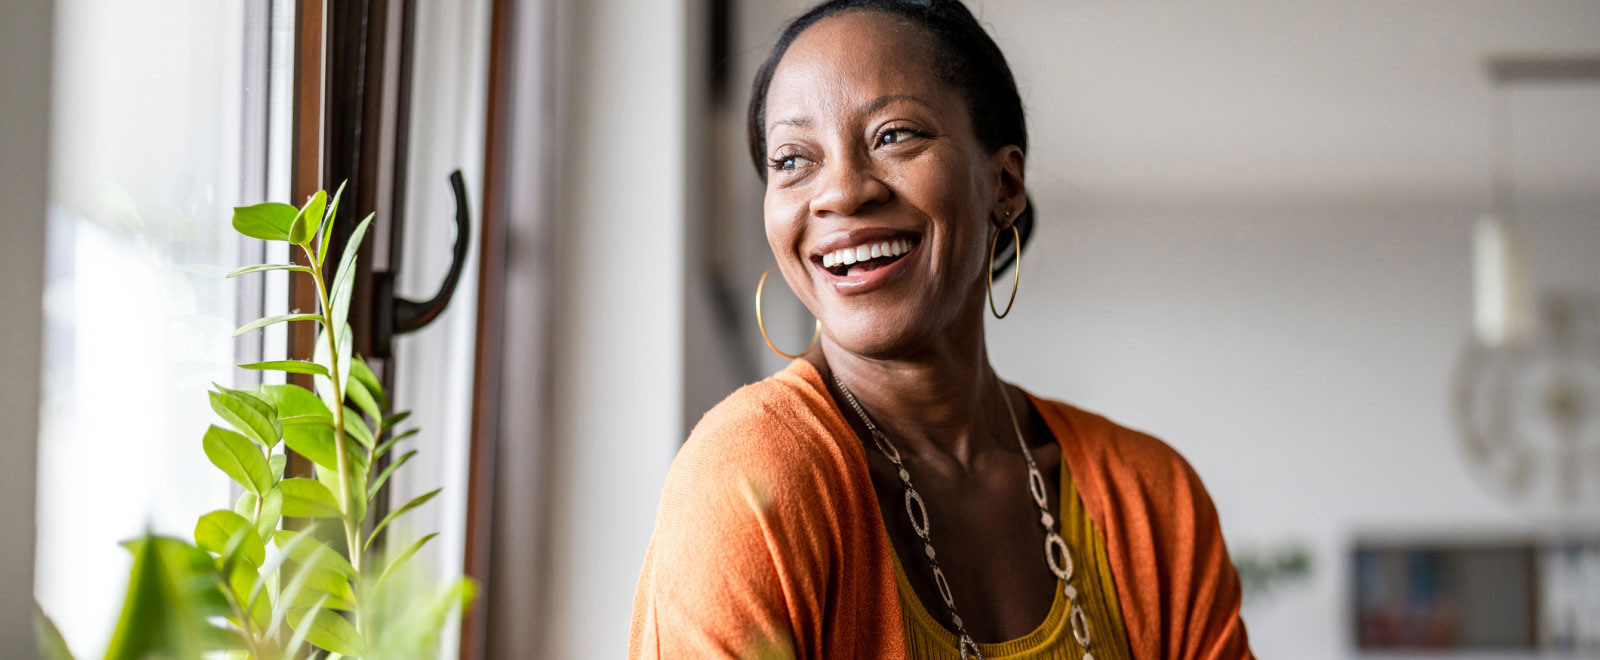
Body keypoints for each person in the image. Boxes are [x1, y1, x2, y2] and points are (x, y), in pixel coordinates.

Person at [629, 1, 1253, 658]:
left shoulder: (1151, 497)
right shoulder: (751, 475)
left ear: (1004, 184)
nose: (841, 192)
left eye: (894, 135)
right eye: (791, 160)